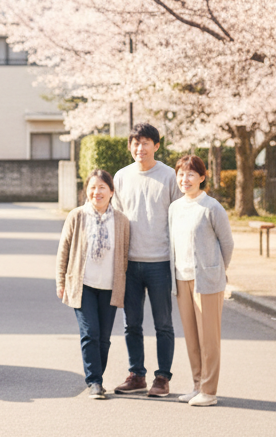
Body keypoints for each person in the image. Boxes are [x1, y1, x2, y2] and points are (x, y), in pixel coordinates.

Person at [111, 122, 183, 397]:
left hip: (161, 261)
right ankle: (136, 374)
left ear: (156, 145)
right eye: (135, 143)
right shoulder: (121, 177)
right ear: (130, 146)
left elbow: (179, 215)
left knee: (163, 323)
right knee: (131, 323)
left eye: (145, 143)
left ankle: (162, 378)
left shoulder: (168, 176)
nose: (140, 148)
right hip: (129, 263)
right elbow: (116, 218)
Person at [56, 170, 131, 398]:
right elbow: (64, 250)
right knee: (90, 333)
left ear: (111, 191)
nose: (96, 192)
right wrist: (60, 281)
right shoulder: (77, 216)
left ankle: (97, 376)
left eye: (101, 188)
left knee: (104, 338)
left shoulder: (121, 221)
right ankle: (94, 381)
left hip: (109, 286)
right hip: (83, 285)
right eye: (92, 187)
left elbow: (125, 254)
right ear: (86, 190)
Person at [169, 154, 234, 407]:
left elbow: (227, 243)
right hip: (181, 278)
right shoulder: (174, 208)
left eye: (190, 174)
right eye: (181, 174)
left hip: (206, 281)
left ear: (202, 177)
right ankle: (197, 384)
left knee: (209, 337)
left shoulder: (212, 207)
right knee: (192, 336)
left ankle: (209, 390)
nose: (185, 179)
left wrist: (216, 270)